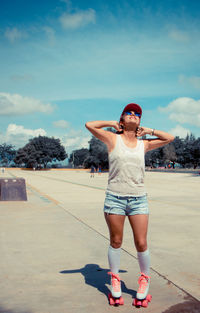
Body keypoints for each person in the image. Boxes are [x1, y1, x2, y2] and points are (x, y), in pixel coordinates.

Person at [85, 103, 175, 305]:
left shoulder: (145, 144)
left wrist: (150, 130)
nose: (133, 115)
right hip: (114, 198)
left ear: (140, 121)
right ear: (123, 119)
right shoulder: (112, 138)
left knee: (141, 243)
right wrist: (111, 124)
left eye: (137, 114)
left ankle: (144, 279)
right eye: (129, 113)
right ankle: (115, 279)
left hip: (138, 199)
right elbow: (89, 125)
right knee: (116, 241)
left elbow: (170, 138)